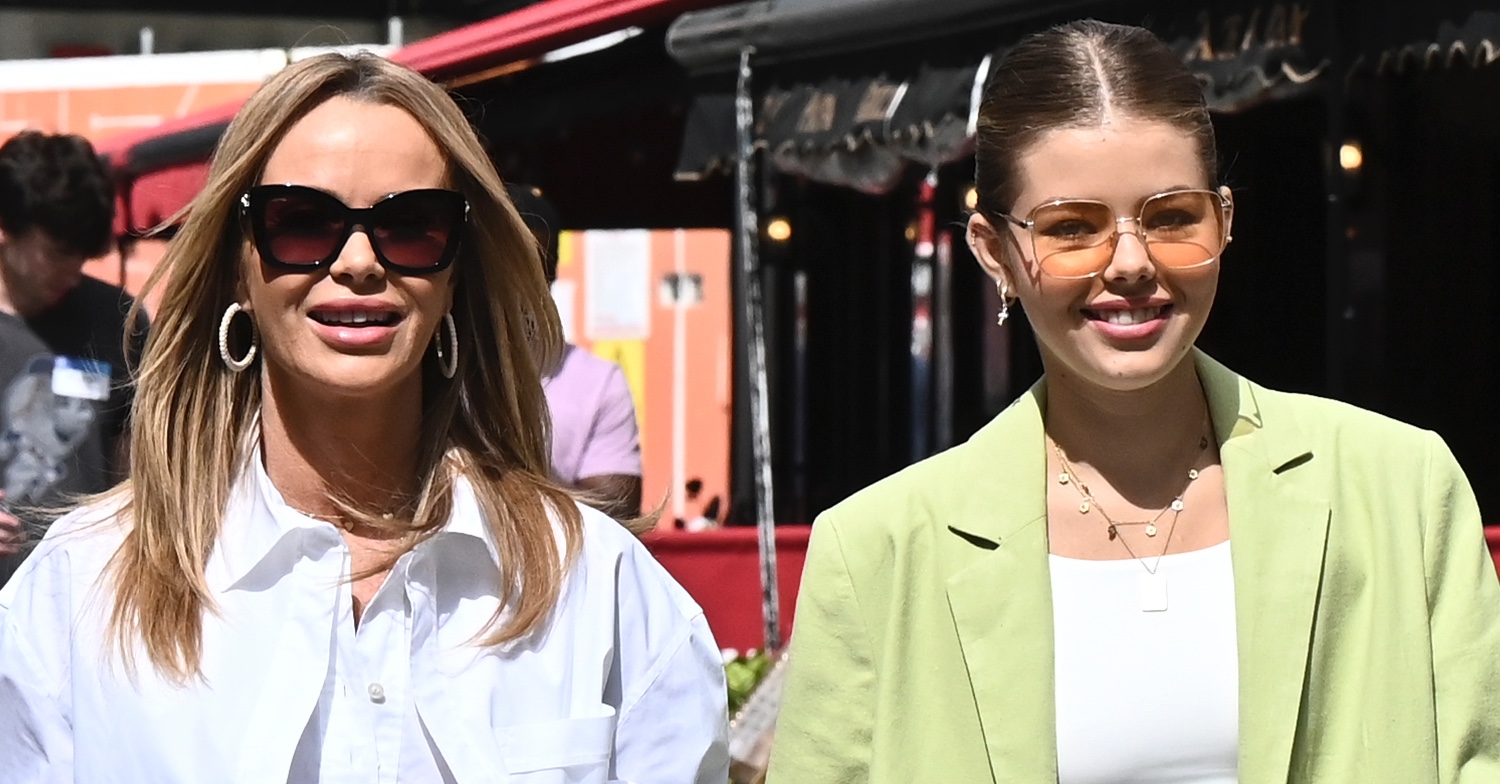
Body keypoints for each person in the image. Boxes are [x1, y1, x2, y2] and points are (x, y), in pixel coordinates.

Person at [767, 20, 1500, 783]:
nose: (1129, 263)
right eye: (1071, 228)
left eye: (1171, 217)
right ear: (995, 254)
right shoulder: (878, 551)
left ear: (1224, 222)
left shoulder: (1401, 489)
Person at [0, 53, 729, 782]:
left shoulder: (600, 588)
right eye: (303, 222)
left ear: (455, 276)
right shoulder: (80, 587)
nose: (357, 261)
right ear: (237, 268)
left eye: (411, 225)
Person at [0, 131, 146, 483]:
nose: (73, 271)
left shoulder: (117, 320)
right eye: (58, 252)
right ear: (5, 227)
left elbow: (135, 464)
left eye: (83, 254)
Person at [507, 182, 645, 521]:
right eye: (505, 258)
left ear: (552, 271)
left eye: (533, 261)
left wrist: (499, 490)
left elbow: (618, 512)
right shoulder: (430, 367)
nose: (517, 277)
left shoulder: (599, 381)